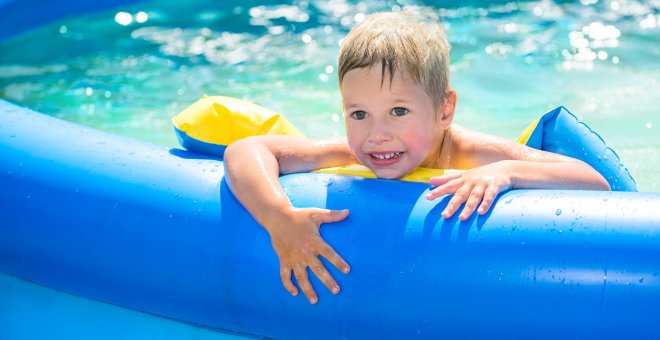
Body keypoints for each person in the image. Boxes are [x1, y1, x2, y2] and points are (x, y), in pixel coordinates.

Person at [223, 11, 610, 304]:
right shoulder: (355, 150)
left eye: (399, 111)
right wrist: (278, 218)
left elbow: (594, 182)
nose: (377, 134)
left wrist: (504, 172)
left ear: (444, 110)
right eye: (359, 114)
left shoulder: (470, 152)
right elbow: (246, 150)